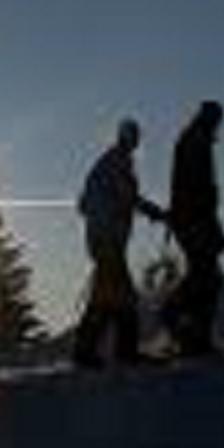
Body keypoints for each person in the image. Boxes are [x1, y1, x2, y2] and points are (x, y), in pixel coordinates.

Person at [73, 118, 166, 366]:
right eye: (133, 137)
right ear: (125, 137)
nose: (135, 142)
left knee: (109, 296)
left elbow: (88, 202)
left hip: (105, 242)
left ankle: (94, 351)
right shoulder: (116, 162)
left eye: (136, 137)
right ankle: (120, 352)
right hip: (107, 243)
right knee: (119, 296)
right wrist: (155, 212)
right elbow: (127, 197)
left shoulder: (112, 162)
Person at [161, 100, 224, 356]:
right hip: (192, 220)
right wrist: (208, 223)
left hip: (194, 219)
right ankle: (177, 320)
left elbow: (203, 191)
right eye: (215, 118)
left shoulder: (196, 140)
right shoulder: (194, 142)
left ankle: (195, 334)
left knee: (207, 275)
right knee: (206, 274)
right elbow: (195, 189)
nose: (218, 124)